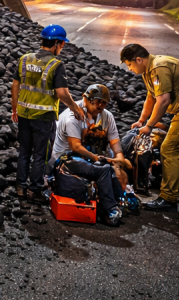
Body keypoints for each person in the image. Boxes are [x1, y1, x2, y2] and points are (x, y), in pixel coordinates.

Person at [120, 43, 179, 211]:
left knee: (170, 149)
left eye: (129, 65)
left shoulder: (158, 67)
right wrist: (142, 121)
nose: (129, 69)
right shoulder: (149, 69)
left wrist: (149, 126)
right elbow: (151, 97)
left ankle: (168, 198)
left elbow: (163, 101)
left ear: (138, 59)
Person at [11, 24, 86, 204]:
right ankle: (34, 191)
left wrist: (14, 109)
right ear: (56, 44)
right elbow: (62, 93)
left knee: (23, 152)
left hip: (23, 114)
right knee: (39, 155)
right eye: (62, 45)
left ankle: (20, 187)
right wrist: (76, 108)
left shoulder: (25, 59)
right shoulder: (55, 65)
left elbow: (15, 85)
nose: (62, 48)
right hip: (43, 119)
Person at [49, 83, 126, 226]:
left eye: (104, 103)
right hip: (65, 160)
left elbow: (116, 147)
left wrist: (119, 163)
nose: (101, 105)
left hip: (85, 158)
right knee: (103, 170)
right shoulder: (73, 116)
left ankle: (118, 201)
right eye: (98, 101)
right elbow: (75, 146)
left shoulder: (107, 117)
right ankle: (109, 209)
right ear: (87, 99)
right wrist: (99, 159)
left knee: (112, 169)